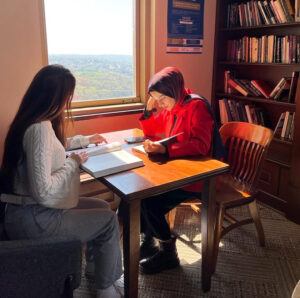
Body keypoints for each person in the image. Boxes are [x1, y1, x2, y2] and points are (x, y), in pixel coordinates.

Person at [0, 65, 123, 298]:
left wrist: (83, 141)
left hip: (26, 211)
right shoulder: (39, 129)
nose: (68, 102)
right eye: (67, 96)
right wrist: (73, 163)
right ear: (54, 98)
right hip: (35, 219)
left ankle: (96, 274)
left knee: (103, 207)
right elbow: (44, 191)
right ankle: (105, 287)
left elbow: (51, 151)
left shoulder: (32, 122)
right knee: (108, 221)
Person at [138, 66, 214, 274]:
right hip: (178, 172)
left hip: (198, 178)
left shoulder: (196, 106)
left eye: (162, 99)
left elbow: (202, 145)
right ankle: (150, 238)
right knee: (142, 193)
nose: (160, 104)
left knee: (149, 202)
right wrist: (148, 110)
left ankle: (168, 253)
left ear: (173, 90)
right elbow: (154, 132)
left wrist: (166, 148)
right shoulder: (172, 106)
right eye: (156, 99)